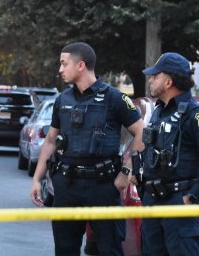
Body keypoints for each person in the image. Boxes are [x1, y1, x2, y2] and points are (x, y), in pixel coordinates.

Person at [30, 42, 144, 256]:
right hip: (67, 186)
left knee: (109, 249)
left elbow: (142, 133)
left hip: (103, 186)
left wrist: (126, 172)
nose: (60, 69)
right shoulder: (62, 99)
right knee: (65, 250)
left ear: (80, 65)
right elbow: (51, 141)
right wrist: (37, 178)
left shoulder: (115, 98)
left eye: (64, 64)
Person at [136, 52, 199, 255]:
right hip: (153, 203)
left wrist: (192, 196)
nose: (150, 80)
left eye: (155, 76)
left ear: (168, 82)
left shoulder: (197, 116)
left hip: (180, 203)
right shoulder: (159, 111)